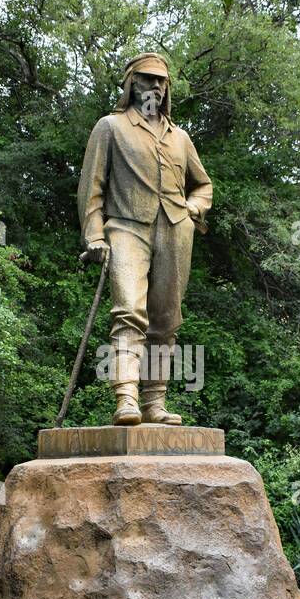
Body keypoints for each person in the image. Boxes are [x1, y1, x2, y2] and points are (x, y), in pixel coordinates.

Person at [77, 51, 213, 426]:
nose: (154, 85)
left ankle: (154, 403)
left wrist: (192, 209)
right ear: (130, 83)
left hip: (174, 229)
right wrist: (94, 236)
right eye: (146, 78)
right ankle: (126, 398)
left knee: (166, 319)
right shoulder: (111, 127)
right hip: (125, 227)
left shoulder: (181, 138)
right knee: (129, 312)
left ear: (167, 87)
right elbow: (92, 189)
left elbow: (203, 185)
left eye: (160, 80)